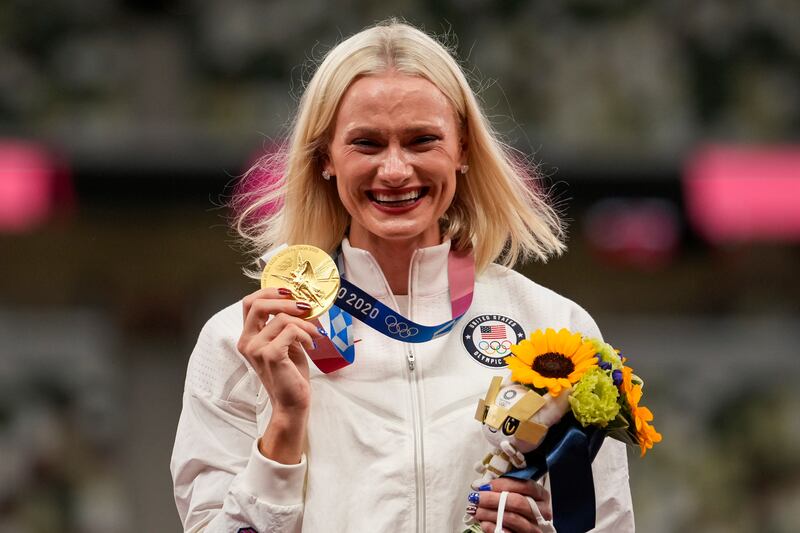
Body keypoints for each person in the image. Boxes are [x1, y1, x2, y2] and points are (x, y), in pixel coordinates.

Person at [170, 20, 634, 533]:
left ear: (462, 149)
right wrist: (284, 424)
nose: (394, 171)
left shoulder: (556, 330)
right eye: (367, 143)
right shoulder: (243, 342)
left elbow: (606, 522)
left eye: (422, 141)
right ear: (325, 158)